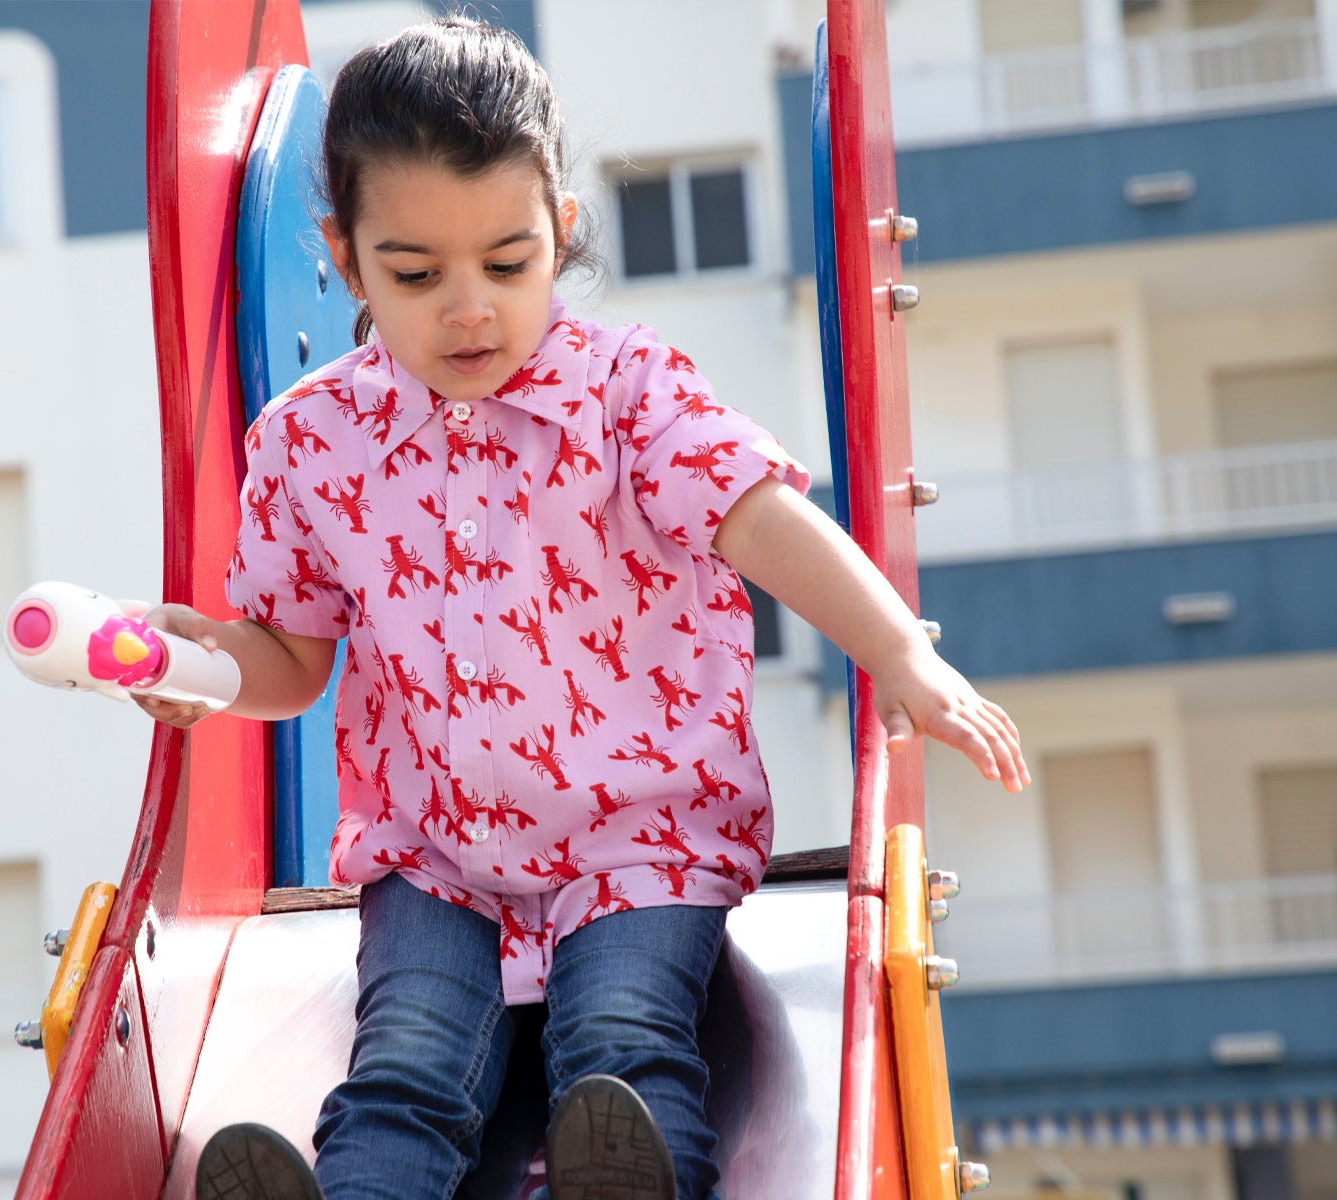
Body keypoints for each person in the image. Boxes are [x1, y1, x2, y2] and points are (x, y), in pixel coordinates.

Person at [136, 16, 1028, 1200]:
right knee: (401, 1065)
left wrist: (902, 656)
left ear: (558, 232)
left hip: (639, 841)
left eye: (507, 264)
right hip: (439, 856)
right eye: (415, 274)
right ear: (344, 261)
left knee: (621, 1039)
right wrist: (205, 667)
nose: (469, 310)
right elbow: (293, 660)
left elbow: (761, 521)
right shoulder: (310, 445)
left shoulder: (625, 394)